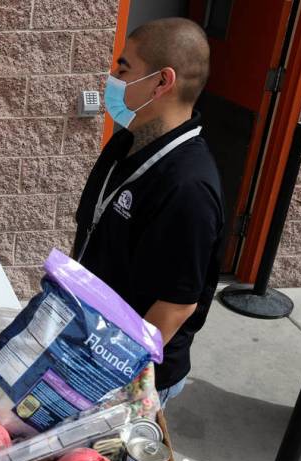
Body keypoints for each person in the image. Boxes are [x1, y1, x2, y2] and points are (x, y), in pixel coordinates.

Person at [72, 17, 224, 406]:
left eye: (123, 68)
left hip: (129, 373)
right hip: (88, 341)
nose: (112, 78)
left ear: (162, 82)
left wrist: (114, 379)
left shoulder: (188, 187)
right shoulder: (126, 143)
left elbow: (176, 305)